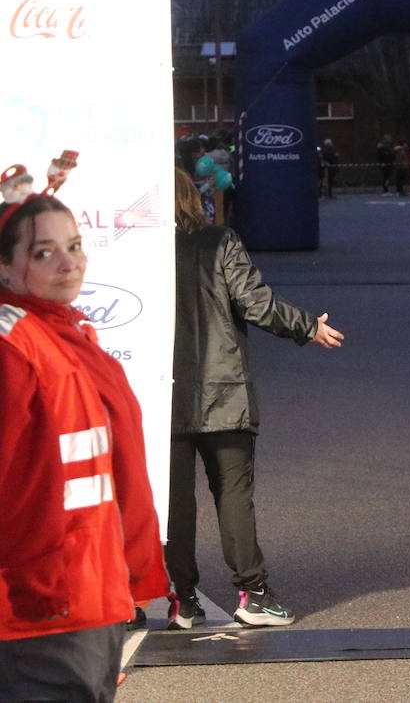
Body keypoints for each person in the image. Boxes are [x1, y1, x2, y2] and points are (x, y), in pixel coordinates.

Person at [0, 156, 168, 702]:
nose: (68, 263)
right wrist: (37, 588)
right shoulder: (14, 346)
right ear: (3, 269)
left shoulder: (68, 334)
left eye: (74, 246)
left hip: (91, 593)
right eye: (43, 252)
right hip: (38, 609)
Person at [166, 169, 344, 630]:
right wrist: (308, 326)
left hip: (161, 393)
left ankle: (181, 599)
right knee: (233, 496)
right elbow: (256, 303)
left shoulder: (139, 253)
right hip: (224, 391)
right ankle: (253, 594)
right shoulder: (219, 240)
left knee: (174, 504)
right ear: (194, 198)